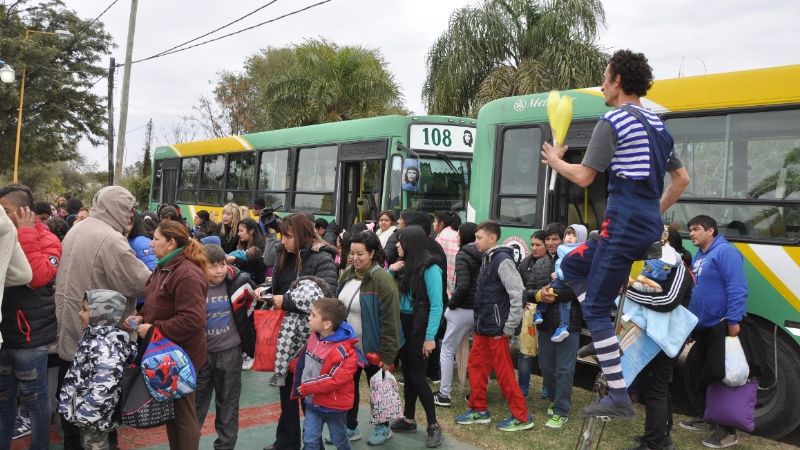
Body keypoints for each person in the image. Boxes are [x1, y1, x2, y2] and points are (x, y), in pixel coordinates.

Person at [540, 49, 690, 419]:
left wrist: (556, 160)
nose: (603, 85)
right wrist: (652, 214)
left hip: (621, 225)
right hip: (645, 228)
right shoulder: (659, 125)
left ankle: (619, 396)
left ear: (618, 80)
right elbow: (682, 179)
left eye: (605, 78)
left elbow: (585, 176)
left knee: (591, 306)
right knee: (572, 266)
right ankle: (605, 331)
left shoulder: (614, 120)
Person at [55, 186, 151, 449]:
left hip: (71, 334)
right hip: (100, 343)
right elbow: (140, 282)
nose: (130, 216)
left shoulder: (78, 227)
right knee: (101, 419)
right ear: (119, 208)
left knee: (71, 410)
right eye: (128, 210)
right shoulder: (110, 239)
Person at [127, 220, 208, 450]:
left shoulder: (186, 274)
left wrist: (153, 329)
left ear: (171, 243)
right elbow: (155, 301)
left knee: (183, 416)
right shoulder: (164, 267)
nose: (151, 243)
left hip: (181, 357)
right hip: (166, 353)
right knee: (174, 413)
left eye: (156, 239)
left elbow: (193, 319)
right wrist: (142, 316)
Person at [455, 221, 532, 431]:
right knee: (476, 367)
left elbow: (518, 293)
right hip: (484, 327)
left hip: (496, 329)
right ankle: (479, 410)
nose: (476, 241)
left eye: (479, 238)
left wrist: (509, 327)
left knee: (504, 372)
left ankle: (522, 416)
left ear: (493, 238)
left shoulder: (502, 260)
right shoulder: (487, 259)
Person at [0, 185, 61, 450]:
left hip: (30, 338)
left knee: (36, 402)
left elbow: (36, 278)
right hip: (5, 335)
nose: (1, 216)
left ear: (25, 212)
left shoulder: (49, 240)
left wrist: (24, 233)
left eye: (5, 211)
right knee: (4, 403)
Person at [680, 215, 748, 449]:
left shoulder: (725, 253)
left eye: (696, 229)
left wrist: (734, 320)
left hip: (720, 325)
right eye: (690, 230)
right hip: (703, 326)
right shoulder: (700, 255)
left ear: (711, 231)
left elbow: (737, 287)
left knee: (720, 376)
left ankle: (727, 431)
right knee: (699, 373)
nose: (692, 234)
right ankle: (707, 416)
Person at [336, 231, 400, 445]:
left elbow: (391, 321)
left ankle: (383, 427)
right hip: (349, 347)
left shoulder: (383, 280)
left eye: (360, 253)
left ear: (372, 253)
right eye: (351, 253)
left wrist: (388, 354)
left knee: (378, 388)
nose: (354, 258)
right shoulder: (347, 274)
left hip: (374, 347)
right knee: (349, 387)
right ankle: (350, 426)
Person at [58, 290, 136, 450]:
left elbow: (104, 388)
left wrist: (85, 416)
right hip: (83, 412)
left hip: (94, 420)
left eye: (85, 310)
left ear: (100, 315)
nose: (80, 313)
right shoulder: (93, 336)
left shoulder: (104, 347)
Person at [388, 226, 444, 447]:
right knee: (409, 375)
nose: (397, 245)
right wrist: (391, 270)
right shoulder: (405, 267)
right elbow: (387, 289)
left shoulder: (431, 269)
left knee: (418, 378)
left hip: (420, 329)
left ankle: (433, 425)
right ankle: (409, 418)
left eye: (400, 241)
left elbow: (437, 305)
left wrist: (430, 337)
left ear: (411, 244)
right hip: (404, 325)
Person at [195, 244, 255, 450]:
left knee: (228, 404)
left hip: (230, 352)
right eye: (213, 266)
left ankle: (225, 446)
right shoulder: (193, 285)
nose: (219, 270)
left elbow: (251, 308)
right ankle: (188, 443)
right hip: (201, 355)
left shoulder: (238, 282)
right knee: (195, 406)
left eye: (222, 264)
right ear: (201, 266)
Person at [264, 277, 333, 450]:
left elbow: (314, 300)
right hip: (289, 352)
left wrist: (284, 300)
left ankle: (313, 445)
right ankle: (287, 442)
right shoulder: (283, 257)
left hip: (308, 350)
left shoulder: (314, 272)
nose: (283, 247)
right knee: (287, 400)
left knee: (309, 402)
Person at [295, 298, 359, 450]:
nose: (309, 317)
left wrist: (306, 387)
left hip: (334, 406)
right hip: (313, 402)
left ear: (327, 324)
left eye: (313, 315)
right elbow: (307, 362)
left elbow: (334, 380)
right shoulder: (315, 337)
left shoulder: (345, 351)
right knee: (310, 441)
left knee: (340, 440)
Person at [434, 222, 479, 407]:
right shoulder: (484, 253)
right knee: (479, 354)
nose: (457, 237)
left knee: (447, 350)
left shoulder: (463, 255)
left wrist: (451, 304)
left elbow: (464, 285)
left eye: (459, 234)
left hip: (462, 309)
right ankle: (476, 394)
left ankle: (444, 394)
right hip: (480, 310)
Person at [534, 224, 587, 342]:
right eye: (547, 239)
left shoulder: (580, 254)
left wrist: (555, 294)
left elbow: (581, 289)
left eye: (554, 239)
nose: (550, 243)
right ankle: (540, 314)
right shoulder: (538, 263)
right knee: (544, 360)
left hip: (572, 328)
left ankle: (561, 325)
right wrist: (538, 295)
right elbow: (527, 291)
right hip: (544, 328)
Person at [515, 230, 551, 398]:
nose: (534, 248)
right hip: (528, 310)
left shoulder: (553, 263)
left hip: (548, 312)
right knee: (525, 353)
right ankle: (523, 388)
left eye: (538, 245)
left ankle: (547, 388)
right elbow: (522, 289)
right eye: (532, 244)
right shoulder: (525, 263)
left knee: (546, 354)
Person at [0, 207, 32, 309]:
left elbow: (35, 278)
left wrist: (26, 233)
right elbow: (23, 275)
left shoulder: (48, 238)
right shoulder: (8, 225)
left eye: (7, 210)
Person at [228, 218, 267, 284]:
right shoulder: (242, 243)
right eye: (238, 231)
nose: (238, 234)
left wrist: (235, 259)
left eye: (241, 231)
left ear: (251, 230)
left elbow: (257, 267)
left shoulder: (262, 246)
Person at [434, 211, 461, 297]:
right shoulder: (457, 235)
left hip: (445, 283)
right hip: (457, 282)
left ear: (441, 223)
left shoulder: (440, 237)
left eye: (435, 221)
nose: (433, 224)